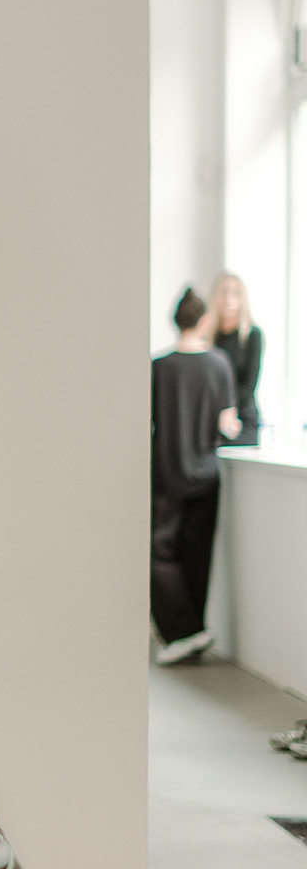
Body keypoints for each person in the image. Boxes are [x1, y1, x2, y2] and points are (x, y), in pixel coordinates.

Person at [151, 288, 240, 665]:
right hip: (206, 475)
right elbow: (228, 423)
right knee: (197, 553)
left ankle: (183, 632)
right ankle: (192, 630)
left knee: (159, 551)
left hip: (167, 472)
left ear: (175, 320)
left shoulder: (159, 367)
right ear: (204, 320)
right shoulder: (219, 364)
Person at [204, 271, 262, 445]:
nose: (229, 299)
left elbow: (249, 385)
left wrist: (227, 409)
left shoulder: (251, 335)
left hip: (242, 418)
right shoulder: (207, 337)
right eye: (224, 292)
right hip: (210, 417)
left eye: (235, 293)